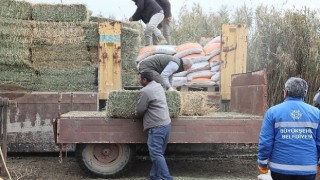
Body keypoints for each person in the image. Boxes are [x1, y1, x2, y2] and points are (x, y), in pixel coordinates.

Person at [257, 77, 320, 180]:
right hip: (307, 169)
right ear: (305, 93)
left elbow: (266, 141)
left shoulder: (273, 112)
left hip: (280, 169)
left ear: (286, 92)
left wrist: (262, 163)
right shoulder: (316, 113)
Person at [134, 71, 173, 180]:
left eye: (139, 79)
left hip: (157, 127)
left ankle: (166, 178)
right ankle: (154, 176)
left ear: (145, 80)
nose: (138, 80)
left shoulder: (145, 91)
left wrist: (136, 115)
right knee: (159, 154)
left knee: (156, 155)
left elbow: (140, 110)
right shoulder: (158, 86)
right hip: (166, 124)